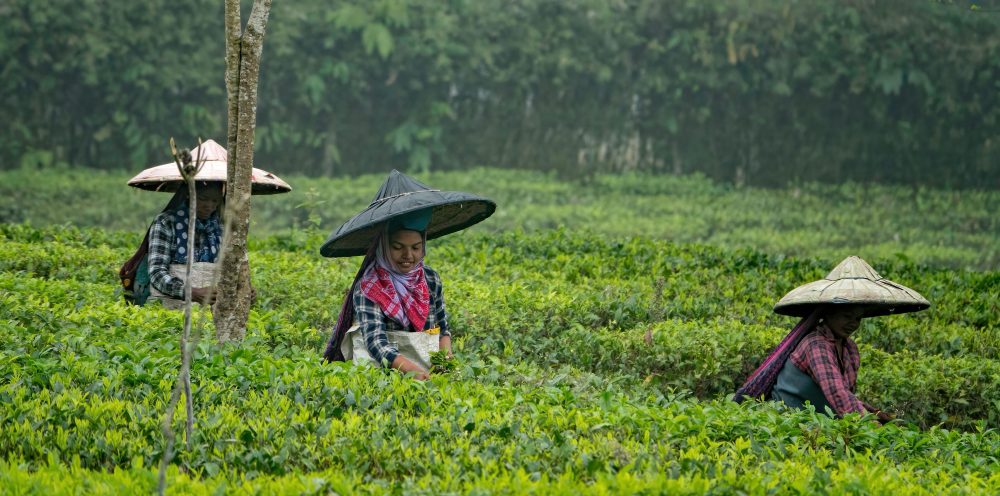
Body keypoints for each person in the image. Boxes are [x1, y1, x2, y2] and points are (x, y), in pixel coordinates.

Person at [321, 170, 496, 379]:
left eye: (416, 247)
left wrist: (446, 360)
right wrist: (411, 371)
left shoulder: (430, 279)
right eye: (397, 247)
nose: (408, 255)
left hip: (426, 371)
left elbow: (442, 329)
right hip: (380, 375)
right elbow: (376, 342)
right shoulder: (369, 286)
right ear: (384, 246)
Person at [734, 256, 930, 422]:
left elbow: (847, 395)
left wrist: (876, 415)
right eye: (846, 316)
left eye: (858, 317)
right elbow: (837, 394)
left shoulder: (849, 349)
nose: (853, 323)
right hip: (784, 420)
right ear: (827, 313)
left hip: (816, 421)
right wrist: (869, 426)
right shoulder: (815, 344)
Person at [147, 182, 225, 306]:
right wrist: (190, 293)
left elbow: (229, 270)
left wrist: (243, 290)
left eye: (215, 200)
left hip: (210, 312)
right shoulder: (166, 222)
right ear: (189, 195)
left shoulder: (220, 227)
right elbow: (156, 273)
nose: (209, 206)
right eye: (203, 199)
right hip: (169, 309)